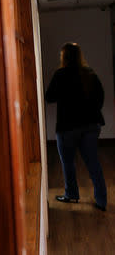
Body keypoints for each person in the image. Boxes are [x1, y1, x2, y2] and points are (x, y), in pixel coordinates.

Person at [45, 42, 107, 211]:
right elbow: (100, 97)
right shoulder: (90, 74)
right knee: (93, 163)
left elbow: (49, 97)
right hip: (91, 124)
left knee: (68, 163)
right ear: (80, 55)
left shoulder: (60, 74)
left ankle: (71, 194)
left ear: (63, 56)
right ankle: (102, 201)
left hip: (67, 126)